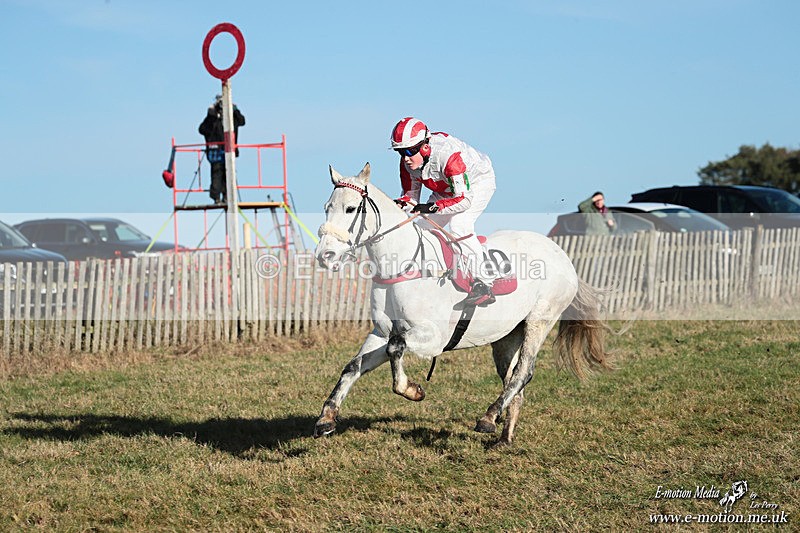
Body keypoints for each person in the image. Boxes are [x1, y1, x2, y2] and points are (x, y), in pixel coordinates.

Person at [391, 117, 497, 305]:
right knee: (421, 229)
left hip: (477, 183)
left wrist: (433, 207)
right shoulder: (408, 164)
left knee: (459, 225)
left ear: (424, 147)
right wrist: (396, 206)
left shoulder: (448, 156)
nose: (405, 157)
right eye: (400, 152)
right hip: (447, 189)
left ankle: (484, 282)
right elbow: (410, 198)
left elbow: (463, 199)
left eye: (409, 151)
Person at [198, 95, 246, 205]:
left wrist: (235, 110)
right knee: (217, 173)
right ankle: (216, 197)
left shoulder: (232, 117)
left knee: (228, 174)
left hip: (228, 150)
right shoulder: (213, 118)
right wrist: (211, 114)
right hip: (216, 151)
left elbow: (242, 121)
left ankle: (226, 196)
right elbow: (202, 129)